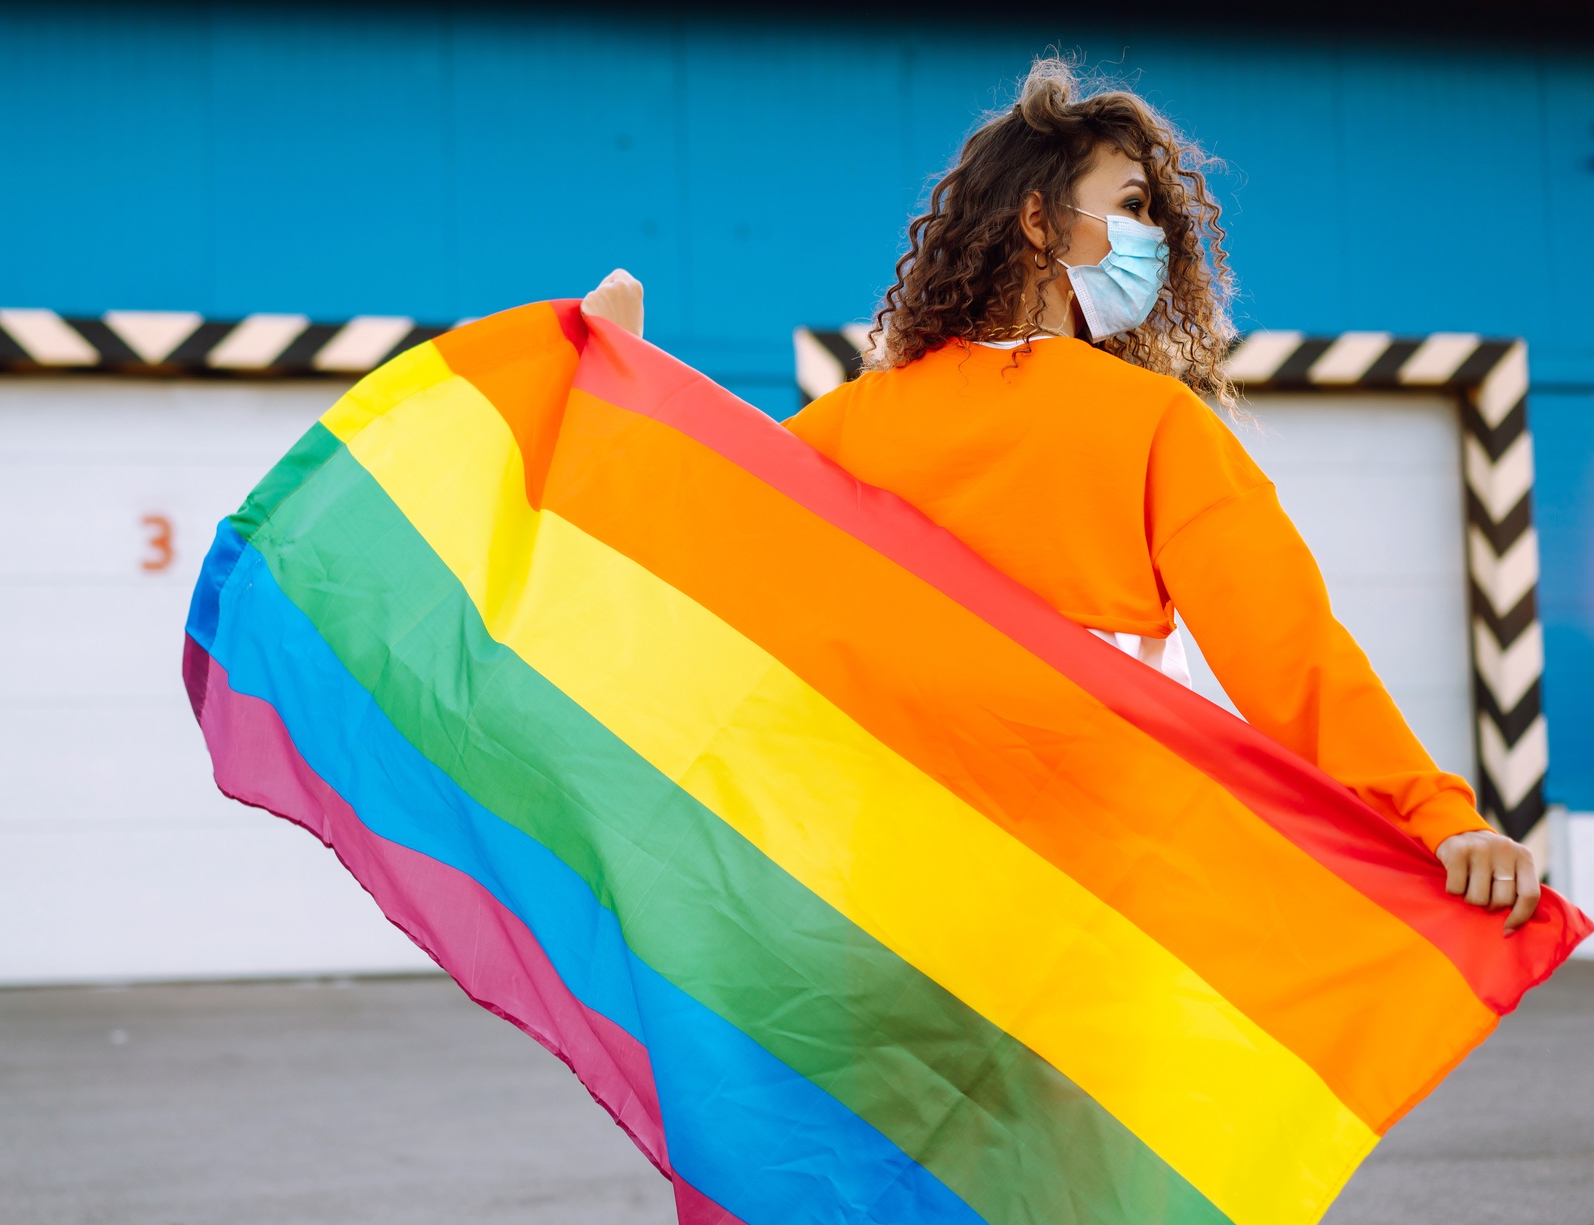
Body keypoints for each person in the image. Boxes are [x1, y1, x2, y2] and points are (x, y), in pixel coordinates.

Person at [581, 58, 1543, 933]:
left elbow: (674, 548)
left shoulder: (849, 428)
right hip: (1087, 909)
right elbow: (1292, 659)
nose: (1155, 238)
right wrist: (1435, 818)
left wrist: (614, 383)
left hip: (877, 905)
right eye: (1131, 206)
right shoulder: (1151, 425)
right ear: (1040, 221)